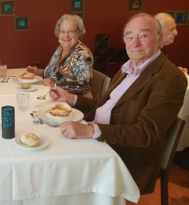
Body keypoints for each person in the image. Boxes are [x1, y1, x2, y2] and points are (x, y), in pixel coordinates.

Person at [49, 13, 187, 194]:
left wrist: (90, 130)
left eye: (143, 36)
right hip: (100, 138)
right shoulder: (127, 68)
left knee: (56, 169)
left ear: (159, 38)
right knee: (50, 145)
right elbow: (106, 105)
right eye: (130, 36)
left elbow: (146, 133)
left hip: (123, 154)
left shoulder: (169, 77)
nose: (135, 42)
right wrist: (71, 98)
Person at [26, 14, 93, 98]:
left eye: (70, 31)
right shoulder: (60, 48)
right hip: (57, 96)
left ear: (78, 33)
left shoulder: (83, 54)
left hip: (76, 102)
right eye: (62, 31)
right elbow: (55, 73)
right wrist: (40, 72)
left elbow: (82, 86)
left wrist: (55, 84)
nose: (66, 35)